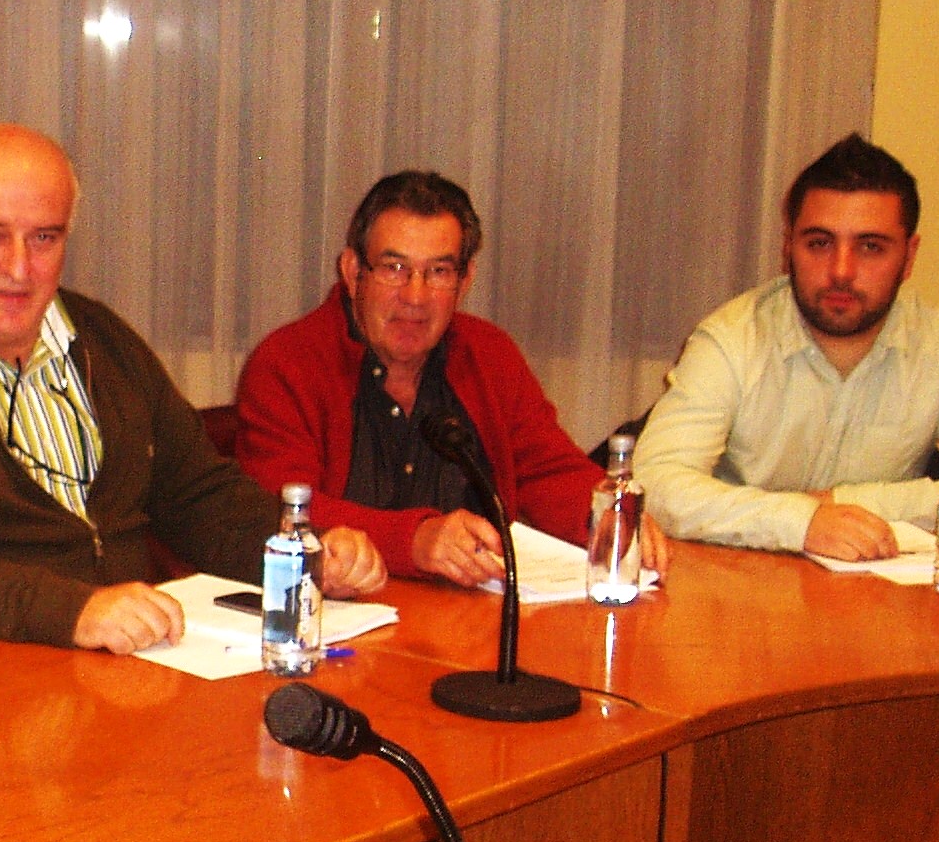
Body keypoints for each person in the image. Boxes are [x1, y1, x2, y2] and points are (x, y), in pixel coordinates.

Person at [0, 124, 384, 652]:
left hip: (123, 667)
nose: (19, 268)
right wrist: (73, 612)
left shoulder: (102, 340)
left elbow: (197, 494)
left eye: (44, 238)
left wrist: (304, 554)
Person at [235, 170, 668, 586]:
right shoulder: (288, 363)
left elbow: (546, 470)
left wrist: (605, 515)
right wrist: (413, 540)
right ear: (352, 273)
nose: (415, 296)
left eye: (438, 272)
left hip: (472, 611)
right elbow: (278, 509)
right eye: (394, 268)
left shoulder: (489, 355)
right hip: (342, 614)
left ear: (465, 281)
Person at [635, 133, 939, 557]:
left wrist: (846, 504)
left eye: (870, 247)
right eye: (819, 243)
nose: (841, 271)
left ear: (910, 256)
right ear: (788, 246)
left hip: (879, 588)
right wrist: (800, 522)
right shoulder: (732, 337)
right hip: (736, 578)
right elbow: (655, 484)